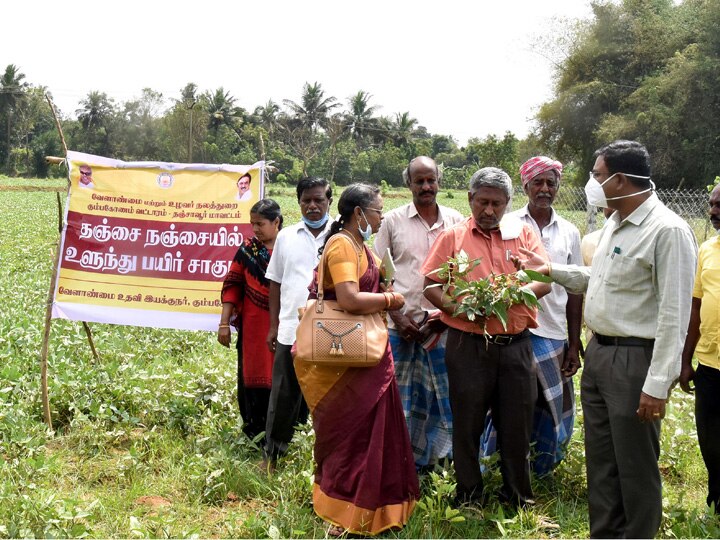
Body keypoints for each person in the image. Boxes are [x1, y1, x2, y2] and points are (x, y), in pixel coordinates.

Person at [518, 140, 698, 538]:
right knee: (602, 461)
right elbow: (595, 278)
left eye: (597, 175)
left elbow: (674, 314)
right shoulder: (616, 222)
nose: (592, 183)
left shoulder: (667, 231)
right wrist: (549, 268)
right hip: (600, 354)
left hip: (635, 362)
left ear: (619, 179)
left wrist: (658, 384)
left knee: (634, 464)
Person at [422, 167, 551, 507]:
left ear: (508, 202)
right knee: (467, 423)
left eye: (497, 203)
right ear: (470, 199)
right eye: (482, 202)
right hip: (468, 346)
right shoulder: (453, 237)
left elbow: (545, 279)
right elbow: (432, 287)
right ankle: (469, 495)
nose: (489, 211)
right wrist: (459, 309)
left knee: (517, 425)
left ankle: (518, 497)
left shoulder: (523, 234)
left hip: (516, 346)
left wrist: (513, 295)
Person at [294, 183, 419, 536]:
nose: (381, 218)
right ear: (359, 213)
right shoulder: (341, 245)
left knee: (375, 432)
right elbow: (348, 298)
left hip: (368, 351)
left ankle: (377, 507)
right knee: (350, 434)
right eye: (378, 211)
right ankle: (344, 511)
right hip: (345, 356)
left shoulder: (362, 246)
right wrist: (391, 301)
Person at [480, 156, 582, 476]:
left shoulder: (569, 232)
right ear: (525, 186)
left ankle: (543, 468)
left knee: (549, 404)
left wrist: (575, 343)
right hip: (511, 330)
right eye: (538, 182)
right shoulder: (506, 224)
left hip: (552, 331)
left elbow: (575, 289)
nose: (544, 188)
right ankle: (498, 467)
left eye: (551, 183)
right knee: (507, 403)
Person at [373, 156, 463, 471]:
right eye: (419, 181)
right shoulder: (392, 222)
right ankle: (399, 459)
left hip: (443, 326)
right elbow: (378, 274)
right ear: (408, 183)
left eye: (431, 180)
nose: (426, 186)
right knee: (398, 396)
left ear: (439, 181)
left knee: (444, 396)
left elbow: (462, 275)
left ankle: (439, 460)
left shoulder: (456, 221)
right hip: (400, 327)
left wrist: (443, 315)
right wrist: (396, 315)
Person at [263, 177, 333, 469]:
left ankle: (329, 461)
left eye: (319, 200)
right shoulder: (287, 236)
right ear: (299, 202)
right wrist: (274, 326)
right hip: (291, 328)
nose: (313, 206)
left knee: (332, 397)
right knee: (283, 395)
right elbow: (276, 283)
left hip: (333, 331)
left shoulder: (340, 235)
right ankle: (273, 455)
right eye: (307, 201)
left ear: (330, 200)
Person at [218, 199, 282, 444]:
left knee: (282, 376)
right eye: (252, 223)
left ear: (276, 222)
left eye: (260, 223)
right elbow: (233, 286)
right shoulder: (247, 251)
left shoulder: (289, 248)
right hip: (253, 327)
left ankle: (283, 433)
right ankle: (254, 432)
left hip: (284, 325)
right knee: (252, 374)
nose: (255, 229)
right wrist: (224, 323)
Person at [680, 182, 720, 513]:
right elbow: (695, 306)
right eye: (711, 204)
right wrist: (685, 359)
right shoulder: (707, 248)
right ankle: (717, 498)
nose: (713, 211)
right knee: (709, 438)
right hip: (709, 364)